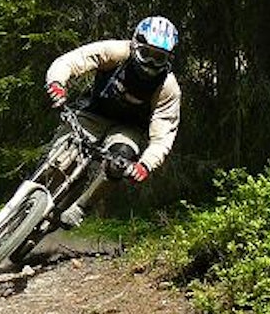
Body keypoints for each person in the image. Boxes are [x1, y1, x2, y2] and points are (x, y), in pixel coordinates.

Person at [43, 15, 181, 227]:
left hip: (128, 129)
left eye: (159, 58)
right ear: (135, 45)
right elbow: (73, 60)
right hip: (93, 114)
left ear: (168, 59)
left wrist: (145, 165)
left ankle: (81, 208)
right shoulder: (116, 52)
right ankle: (35, 200)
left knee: (119, 162)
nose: (151, 63)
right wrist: (56, 83)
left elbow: (164, 133)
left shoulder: (167, 88)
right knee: (58, 160)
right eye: (146, 54)